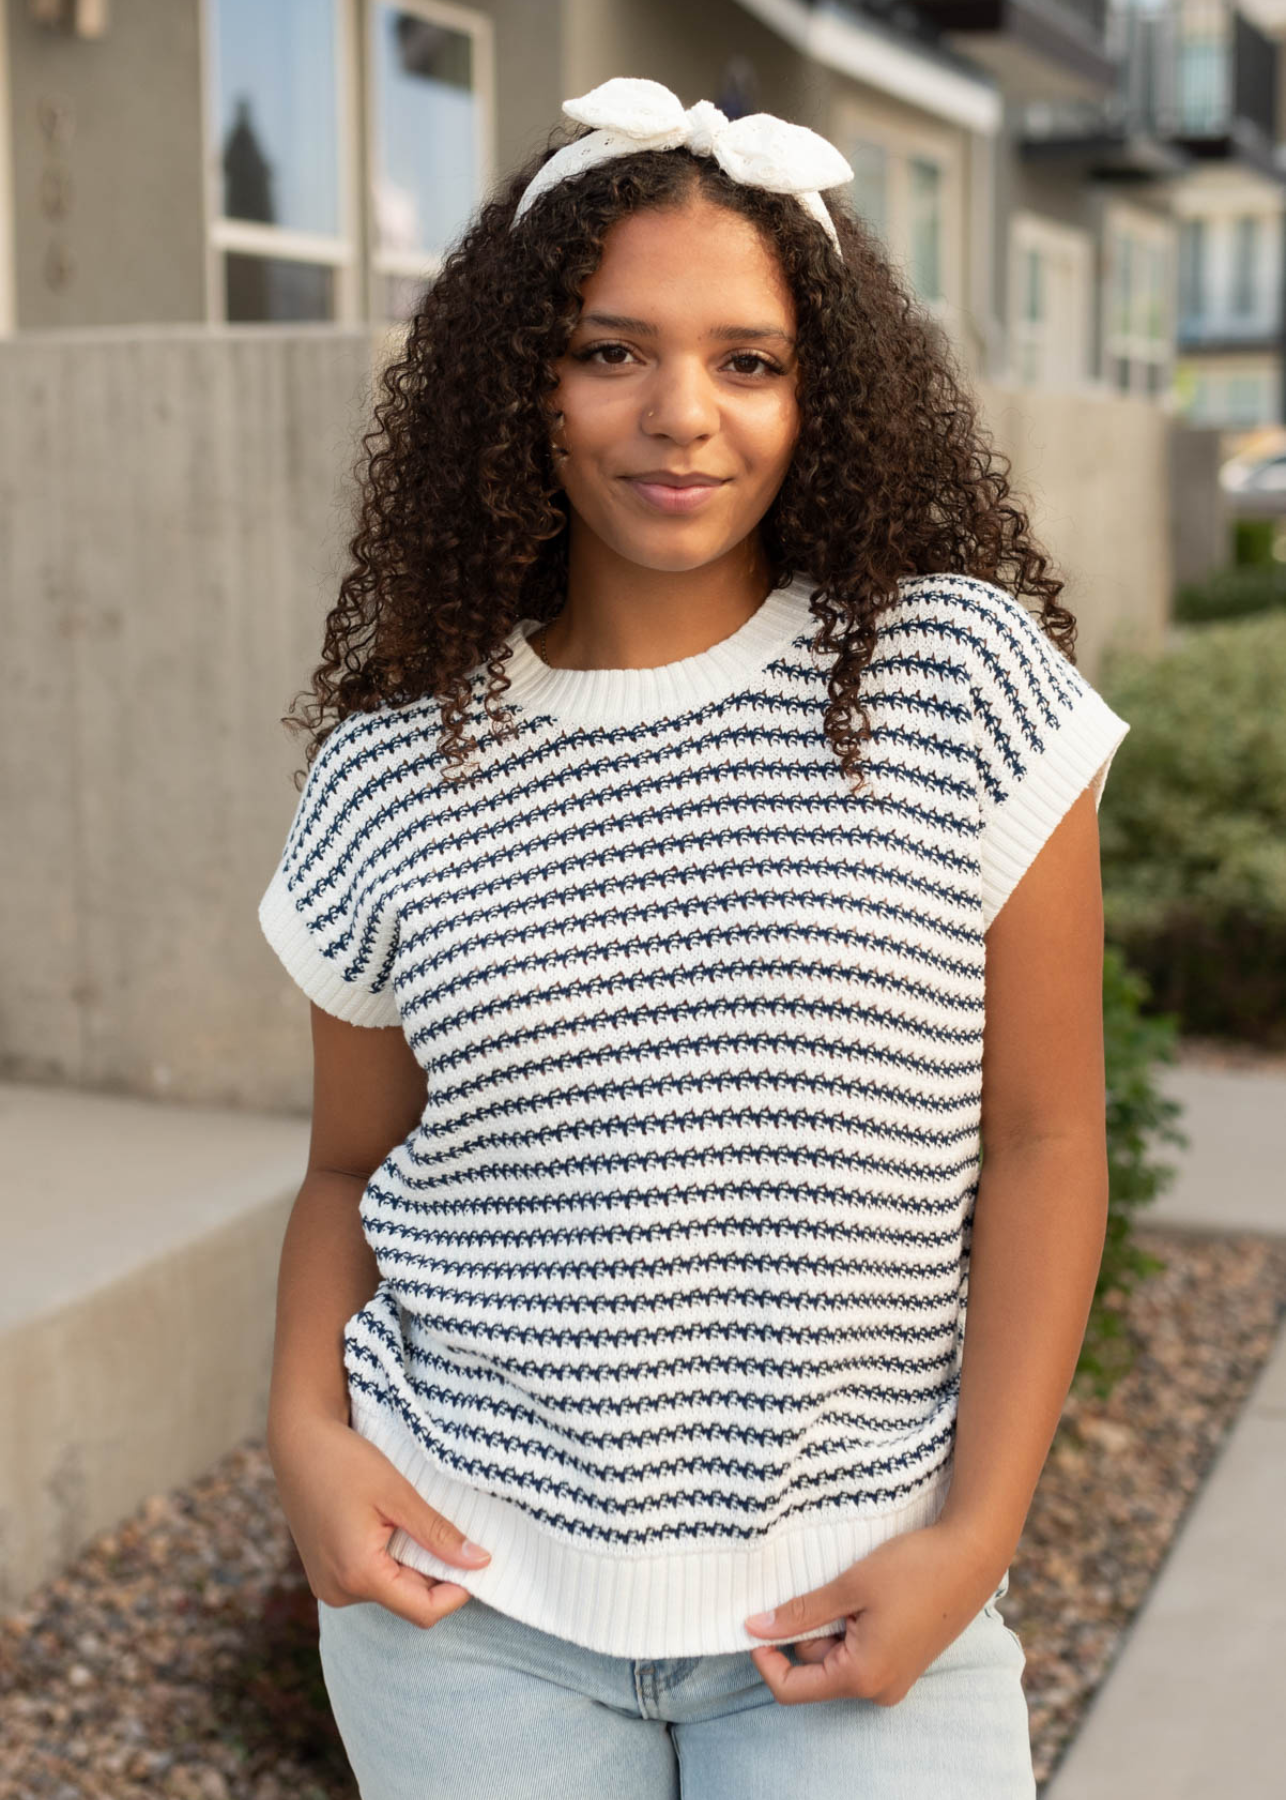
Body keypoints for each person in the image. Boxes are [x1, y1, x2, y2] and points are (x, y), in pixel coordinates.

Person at [258, 76, 1128, 1800]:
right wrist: (301, 1437)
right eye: (611, 352)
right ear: (521, 381)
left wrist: (973, 1534)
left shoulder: (956, 685)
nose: (681, 416)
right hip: (462, 1602)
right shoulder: (387, 773)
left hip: (862, 1587)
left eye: (748, 360)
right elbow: (352, 1171)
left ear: (823, 397)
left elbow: (1043, 1141)